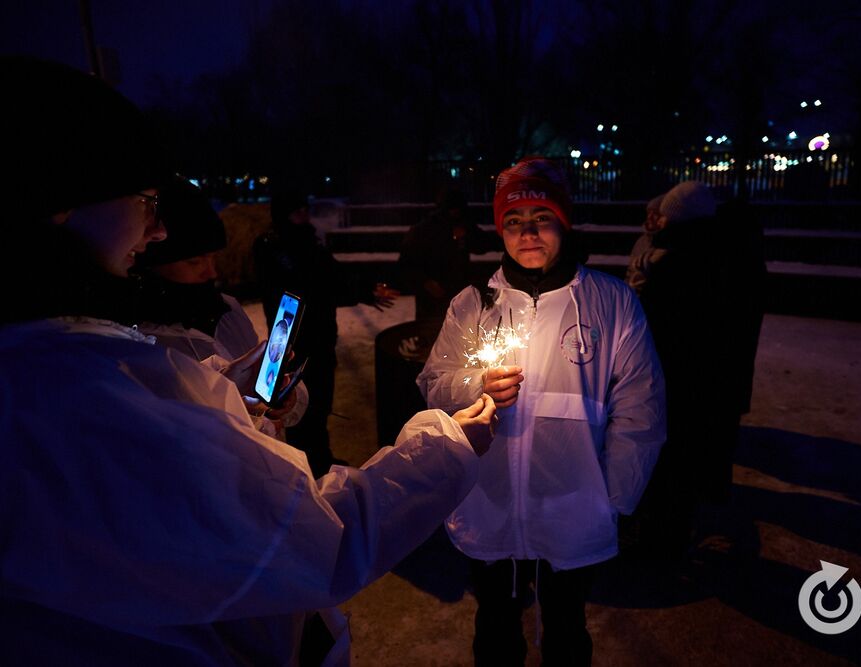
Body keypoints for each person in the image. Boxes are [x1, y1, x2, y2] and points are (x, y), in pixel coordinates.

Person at [0, 55, 498, 666]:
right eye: (145, 201)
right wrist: (447, 447)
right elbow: (313, 542)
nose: (155, 231)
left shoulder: (56, 360)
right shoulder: (67, 394)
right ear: (59, 197)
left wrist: (233, 399)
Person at [417, 157, 666, 666]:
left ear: (564, 222)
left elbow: (641, 407)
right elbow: (433, 384)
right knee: (494, 631)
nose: (527, 233)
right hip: (489, 502)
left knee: (568, 631)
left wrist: (612, 499)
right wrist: (474, 384)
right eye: (513, 222)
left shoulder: (611, 303)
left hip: (573, 506)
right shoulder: (474, 304)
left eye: (541, 218)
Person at [635, 180, 766, 556]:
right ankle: (671, 530)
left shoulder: (681, 259)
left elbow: (661, 325)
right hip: (699, 382)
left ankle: (662, 542)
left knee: (671, 462)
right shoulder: (713, 252)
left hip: (677, 380)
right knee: (684, 459)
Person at [130, 176, 306, 439]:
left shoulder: (225, 308)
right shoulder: (138, 340)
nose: (211, 272)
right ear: (149, 260)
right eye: (194, 262)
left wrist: (287, 396)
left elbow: (260, 378)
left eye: (212, 257)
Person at [253, 188, 400, 475]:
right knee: (298, 409)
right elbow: (312, 286)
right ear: (283, 213)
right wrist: (357, 290)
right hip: (293, 341)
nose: (304, 215)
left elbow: (332, 276)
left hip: (321, 337)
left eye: (305, 209)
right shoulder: (272, 246)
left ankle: (321, 458)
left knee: (320, 404)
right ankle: (305, 466)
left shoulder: (309, 240)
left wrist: (366, 289)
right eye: (297, 211)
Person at [398, 185, 493, 321]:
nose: (455, 213)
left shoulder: (463, 225)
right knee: (432, 333)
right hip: (432, 297)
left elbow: (483, 245)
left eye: (458, 210)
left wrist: (466, 237)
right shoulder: (423, 230)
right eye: (452, 209)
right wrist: (426, 282)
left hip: (459, 293)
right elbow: (406, 263)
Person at [623, 192, 666, 294]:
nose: (650, 217)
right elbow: (629, 273)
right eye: (648, 212)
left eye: (655, 214)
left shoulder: (664, 246)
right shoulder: (642, 241)